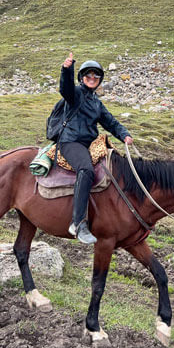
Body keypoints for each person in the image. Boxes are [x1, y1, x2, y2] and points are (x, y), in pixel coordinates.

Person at [58, 52, 133, 244]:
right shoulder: (74, 94)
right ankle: (78, 223)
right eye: (88, 75)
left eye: (96, 76)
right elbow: (65, 88)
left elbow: (111, 122)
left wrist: (124, 134)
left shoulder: (96, 103)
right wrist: (67, 69)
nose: (92, 79)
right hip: (70, 141)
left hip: (88, 144)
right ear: (82, 78)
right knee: (85, 169)